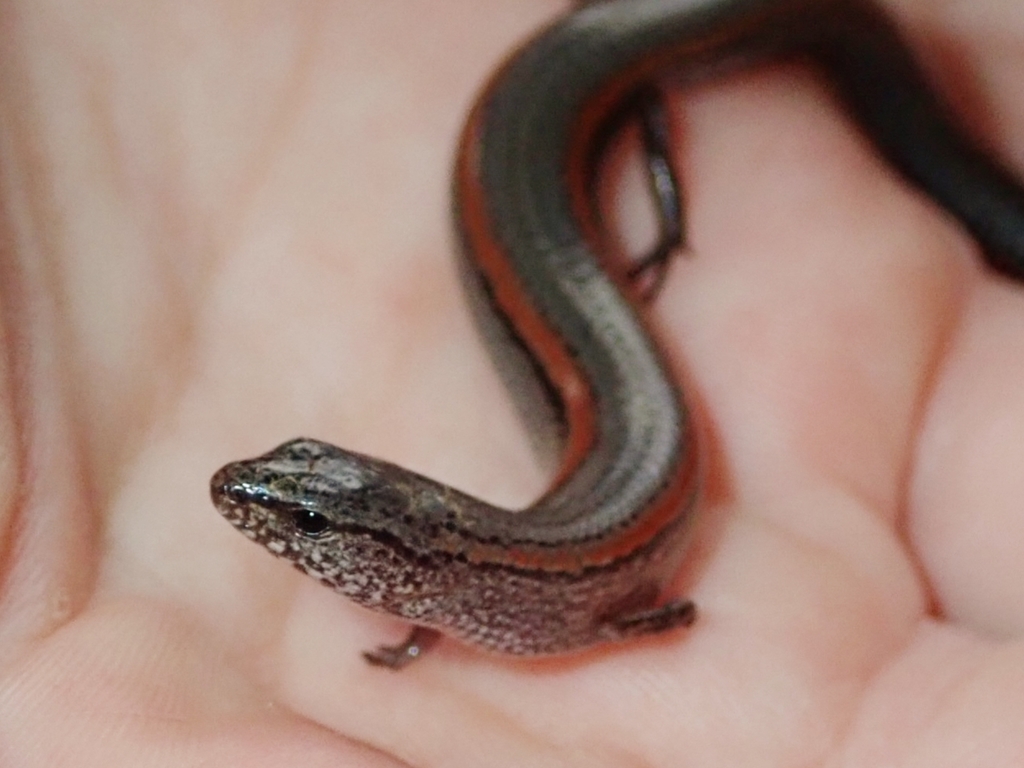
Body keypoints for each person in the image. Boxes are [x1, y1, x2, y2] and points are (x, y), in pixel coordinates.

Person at [1, 0, 1022, 763]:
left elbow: (661, 615)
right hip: (540, 154)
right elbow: (645, 611)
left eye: (310, 526)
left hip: (566, 125)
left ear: (397, 568)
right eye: (306, 516)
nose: (262, 504)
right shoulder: (498, 590)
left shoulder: (505, 591)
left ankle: (665, 82)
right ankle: (625, 89)